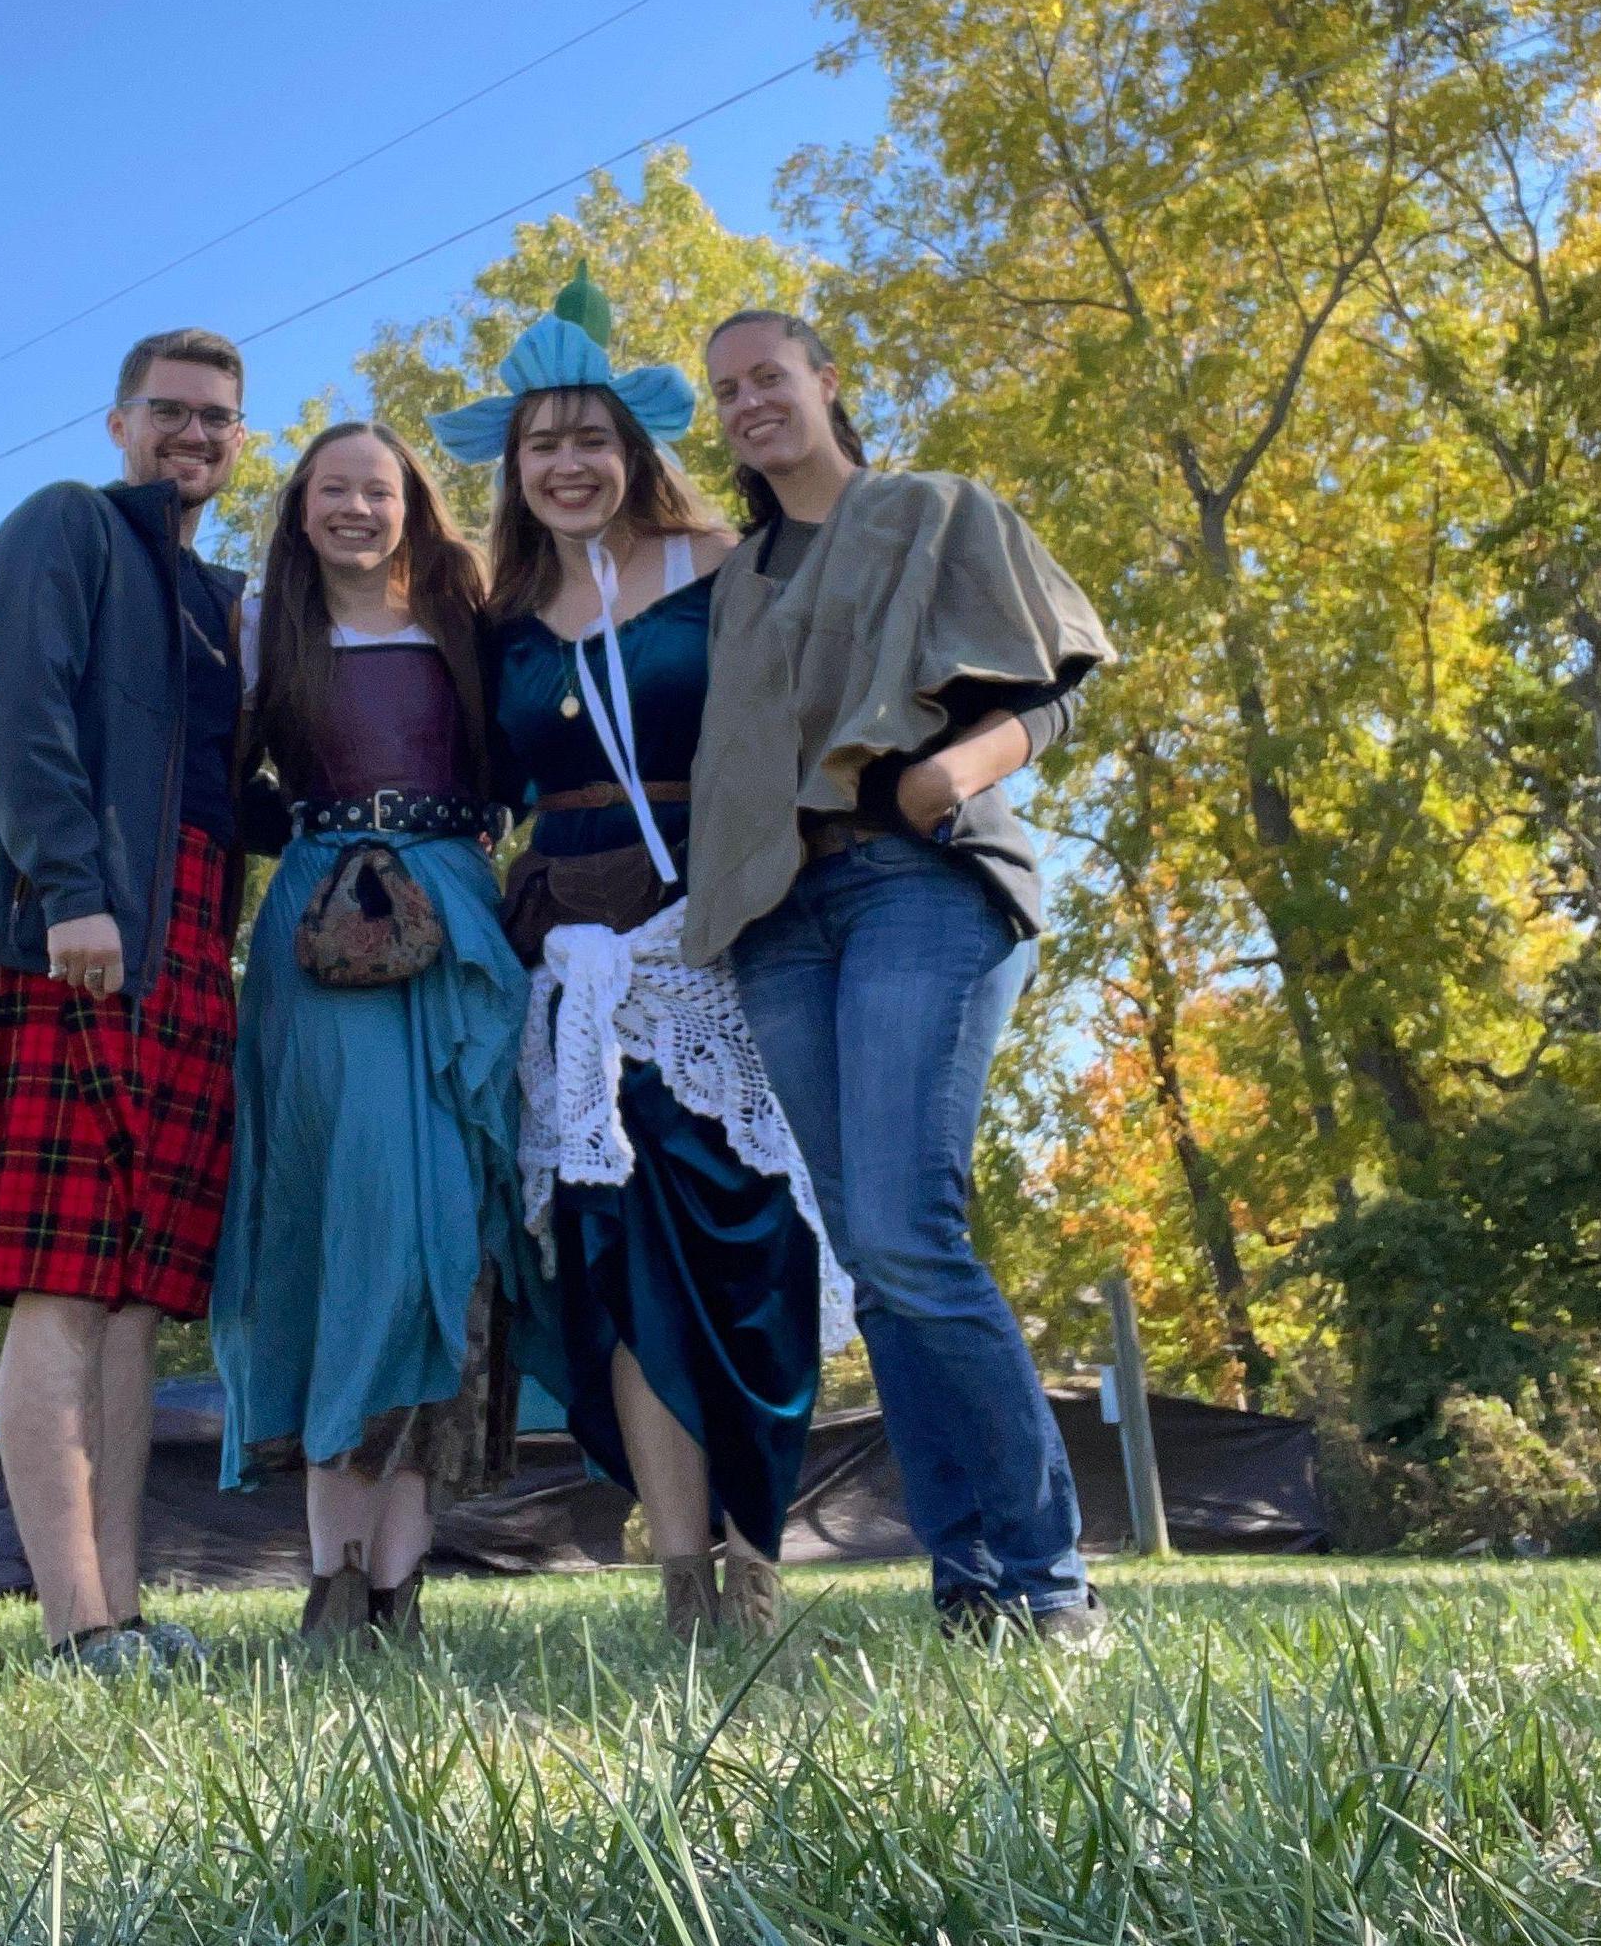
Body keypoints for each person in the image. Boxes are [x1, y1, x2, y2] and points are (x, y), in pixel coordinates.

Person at [687, 308, 1116, 1645]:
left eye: (770, 376)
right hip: (781, 918)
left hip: (919, 884)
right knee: (871, 1260)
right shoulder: (738, 584)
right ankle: (970, 1584)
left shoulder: (938, 510)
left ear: (825, 383)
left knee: (915, 1231)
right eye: (727, 390)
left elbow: (1059, 686)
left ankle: (1049, 1583)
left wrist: (949, 773)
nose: (751, 401)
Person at [436, 268, 835, 1642]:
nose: (567, 464)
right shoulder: (490, 620)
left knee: (751, 1244)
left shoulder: (724, 564)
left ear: (634, 448)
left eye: (591, 439)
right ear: (513, 463)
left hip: (716, 942)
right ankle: (678, 1574)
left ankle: (756, 1556)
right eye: (542, 444)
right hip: (580, 967)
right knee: (620, 1258)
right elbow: (467, 783)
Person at [0, 328, 250, 1677]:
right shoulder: (69, 528)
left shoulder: (220, 598)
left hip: (187, 939)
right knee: (63, 1281)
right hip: (82, 925)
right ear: (119, 422)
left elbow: (228, 790)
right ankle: (71, 1620)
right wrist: (71, 890)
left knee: (133, 1299)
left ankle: (122, 1609)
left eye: (219, 418)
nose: (195, 435)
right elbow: (25, 715)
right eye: (170, 411)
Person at [208, 422, 530, 1647]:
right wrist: (311, 832)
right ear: (298, 509)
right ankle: (331, 1580)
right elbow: (212, 777)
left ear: (414, 506)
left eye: (377, 489)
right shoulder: (258, 631)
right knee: (345, 1219)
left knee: (443, 1226)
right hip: (321, 929)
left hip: (456, 909)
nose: (355, 507)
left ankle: (397, 1585)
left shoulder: (475, 617)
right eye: (331, 489)